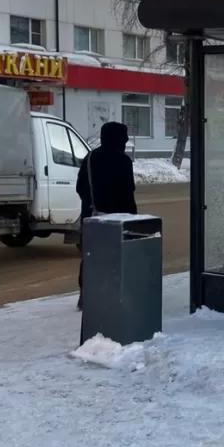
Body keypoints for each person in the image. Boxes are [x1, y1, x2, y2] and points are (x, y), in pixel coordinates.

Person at [75, 122, 138, 309]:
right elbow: (128, 193)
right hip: (117, 221)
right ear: (117, 138)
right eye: (124, 137)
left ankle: (85, 295)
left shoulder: (90, 157)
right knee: (116, 259)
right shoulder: (123, 161)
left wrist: (91, 204)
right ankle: (112, 294)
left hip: (92, 219)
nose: (126, 141)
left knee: (91, 258)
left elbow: (80, 187)